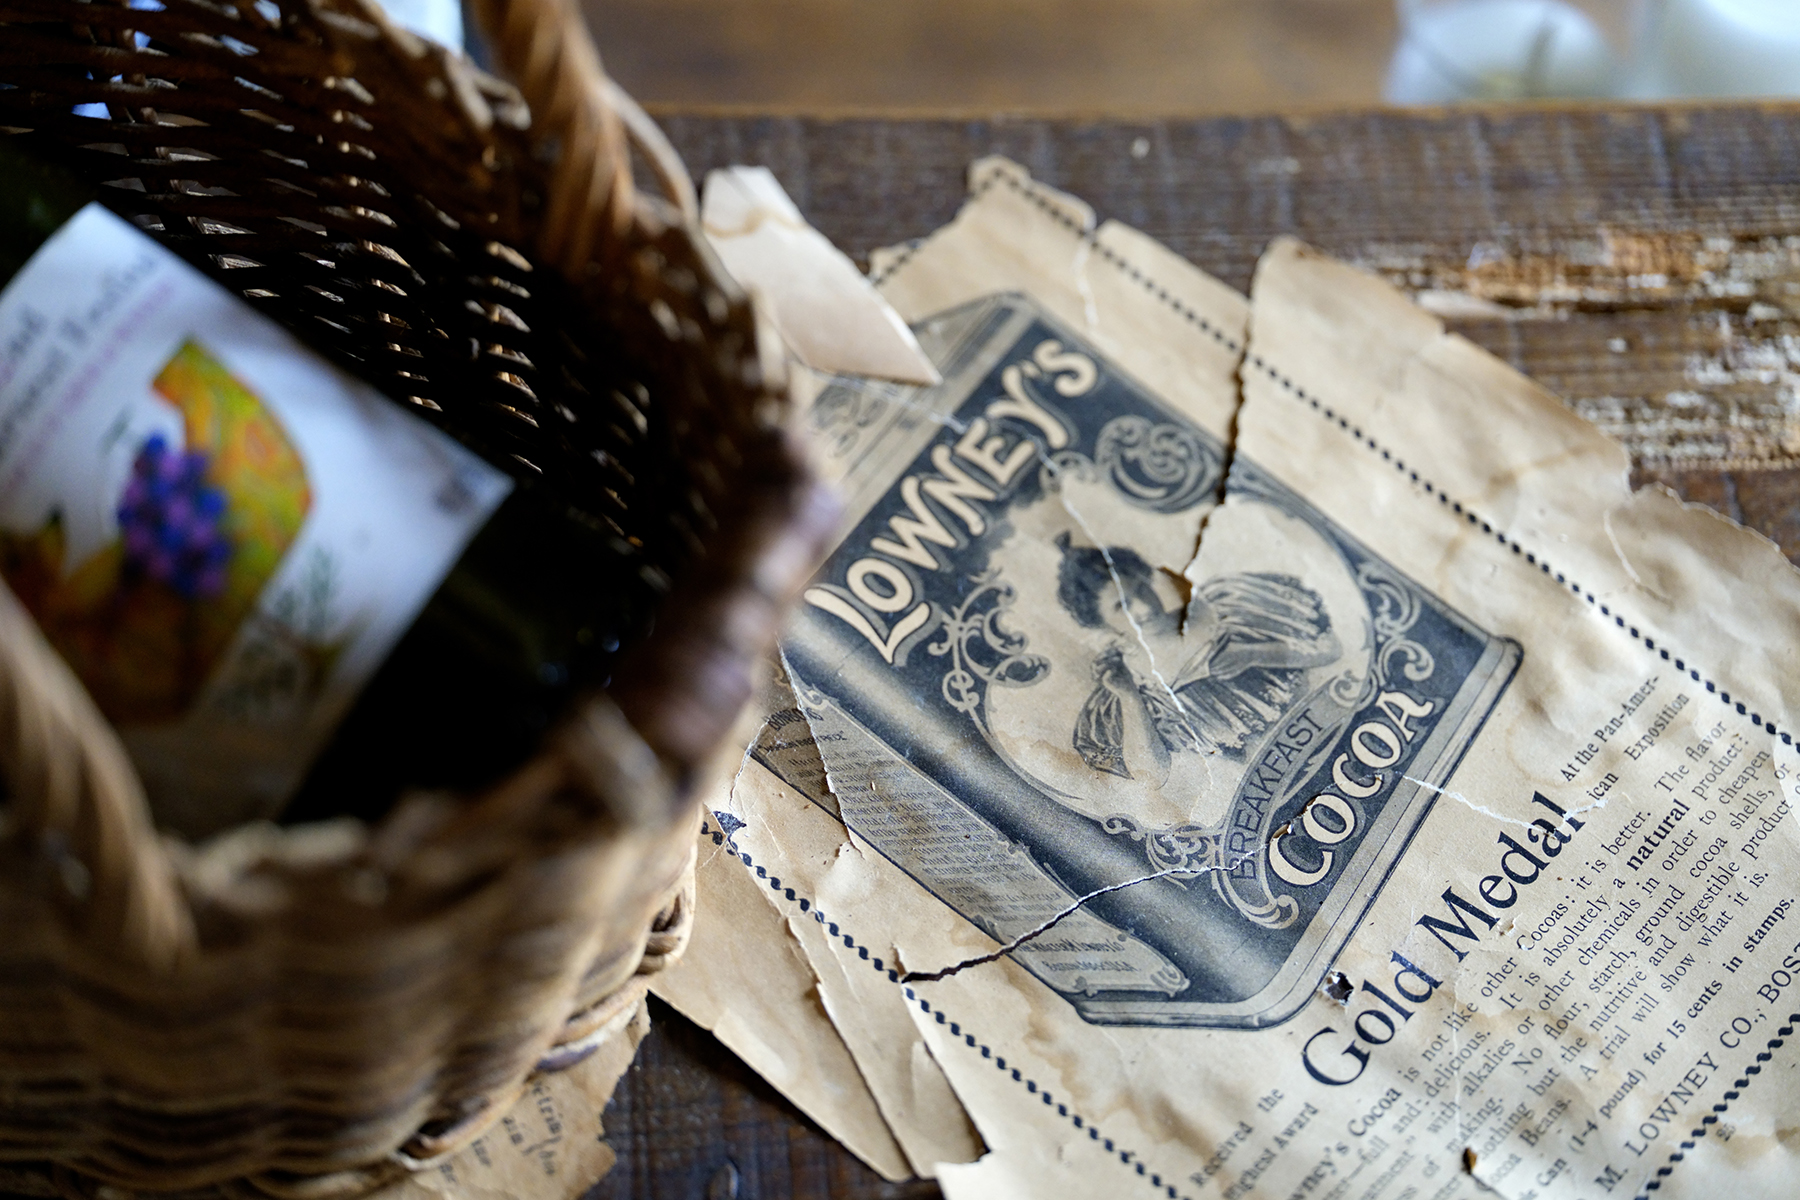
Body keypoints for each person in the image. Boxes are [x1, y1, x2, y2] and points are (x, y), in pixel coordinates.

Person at [1054, 534, 1340, 785]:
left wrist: (1255, 654)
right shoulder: (1123, 685)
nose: (1143, 609)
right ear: (1102, 624)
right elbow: (1152, 778)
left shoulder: (1225, 604)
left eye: (1140, 590)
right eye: (1122, 607)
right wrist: (1130, 699)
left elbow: (1331, 650)